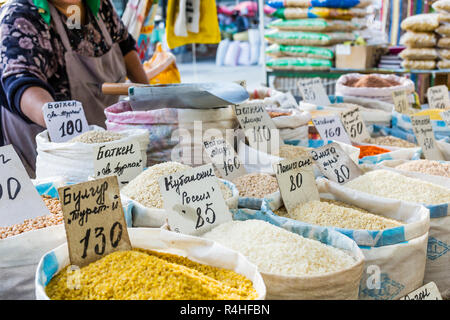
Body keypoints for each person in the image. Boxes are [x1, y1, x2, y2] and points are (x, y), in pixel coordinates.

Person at [0, 0, 149, 176]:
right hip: (46, 163)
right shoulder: (20, 15)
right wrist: (73, 132)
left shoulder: (100, 6)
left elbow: (125, 46)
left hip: (101, 153)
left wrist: (150, 99)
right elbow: (21, 84)